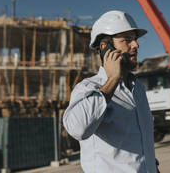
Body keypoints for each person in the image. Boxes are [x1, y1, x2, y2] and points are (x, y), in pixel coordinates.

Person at [63, 10, 158, 173]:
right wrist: (112, 79)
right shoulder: (87, 88)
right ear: (105, 47)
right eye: (127, 40)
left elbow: (140, 142)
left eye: (135, 39)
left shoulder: (138, 88)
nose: (136, 45)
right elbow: (77, 129)